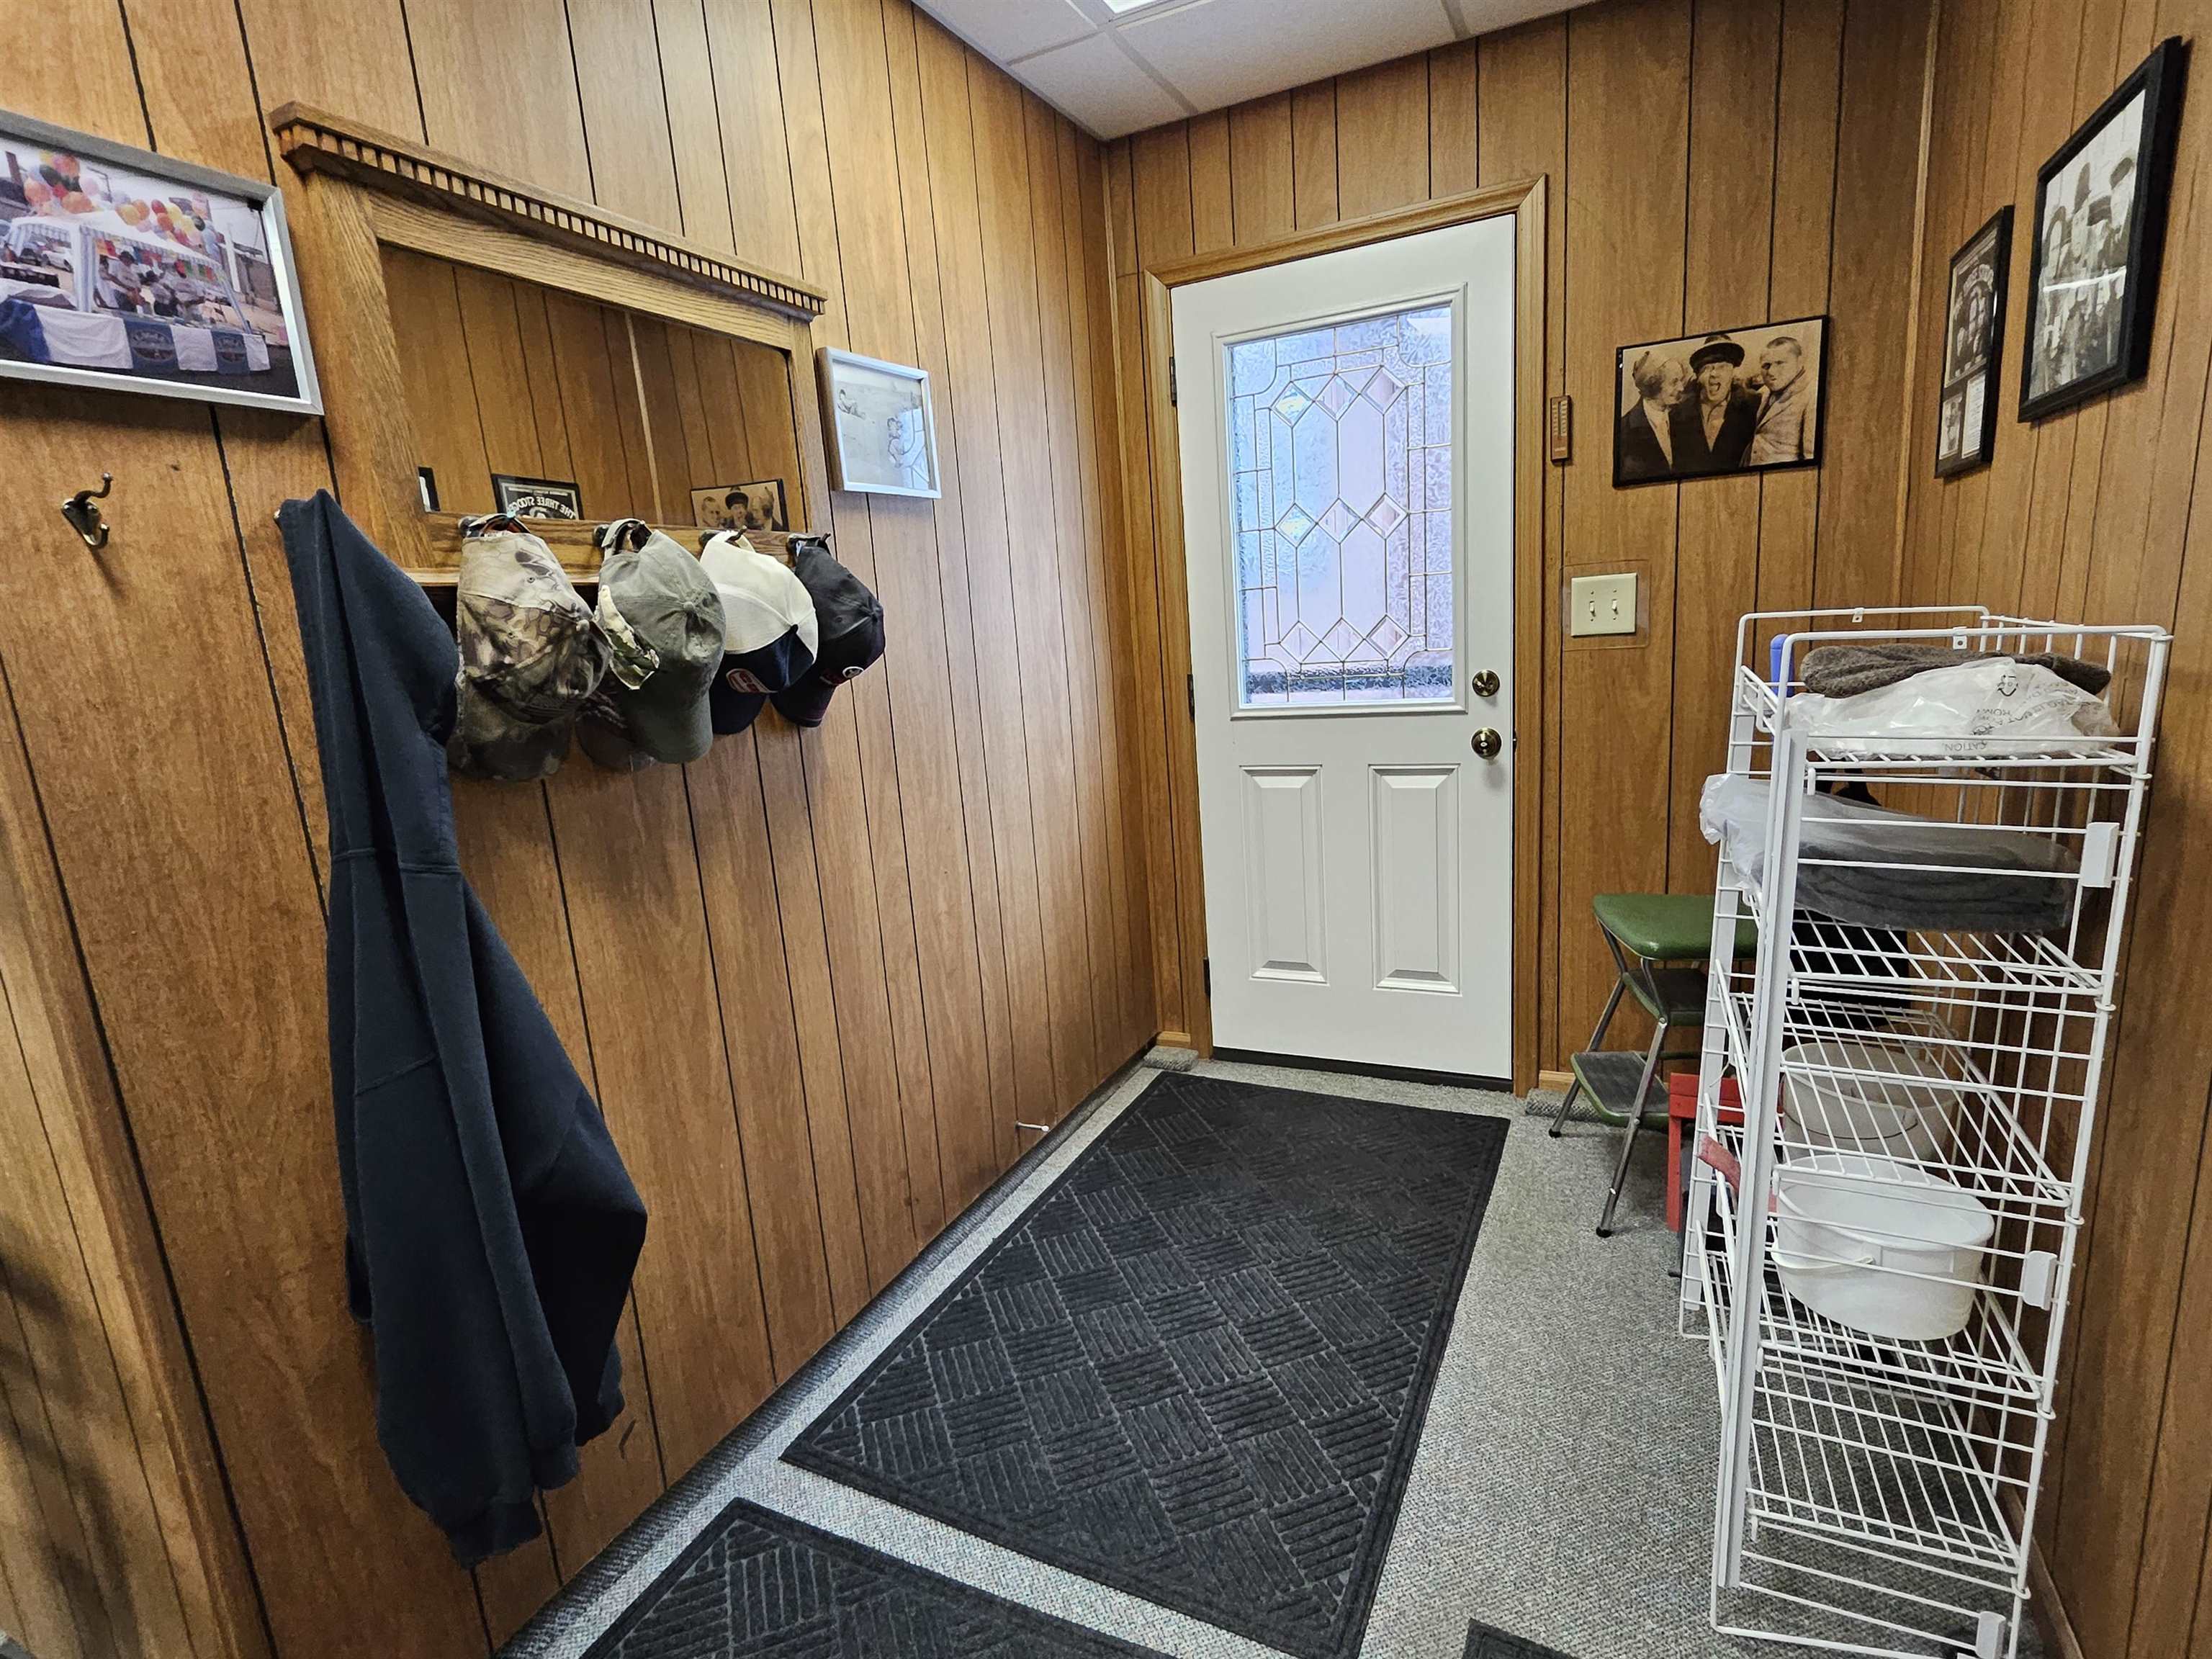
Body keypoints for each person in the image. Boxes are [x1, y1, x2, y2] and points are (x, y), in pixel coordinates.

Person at [1672, 334, 1757, 473]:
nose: (1714, 374)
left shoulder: (1753, 406)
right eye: (1707, 368)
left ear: (1732, 372)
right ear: (1698, 376)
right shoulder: (1677, 413)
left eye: (1722, 367)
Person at [1617, 349, 1689, 480]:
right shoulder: (1625, 429)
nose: (1681, 388)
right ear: (1653, 386)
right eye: (1674, 382)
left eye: (1681, 380)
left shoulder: (1685, 418)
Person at [1747, 335, 1815, 465]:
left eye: (1780, 363)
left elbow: (1811, 457)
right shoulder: (1764, 392)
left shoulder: (1811, 395)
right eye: (1766, 366)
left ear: (1799, 362)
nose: (1771, 372)